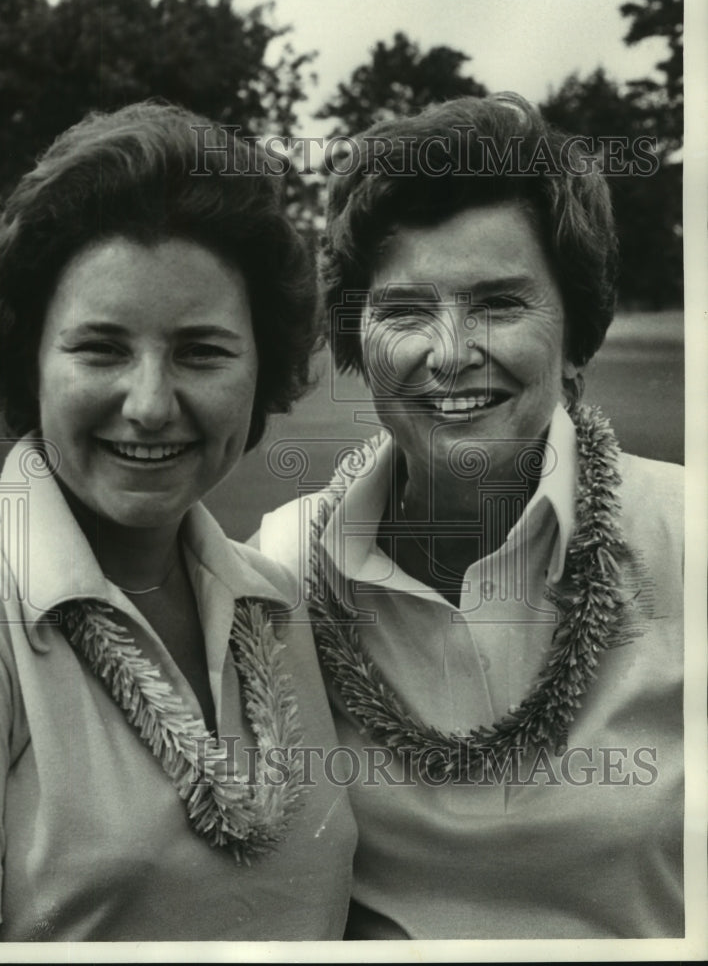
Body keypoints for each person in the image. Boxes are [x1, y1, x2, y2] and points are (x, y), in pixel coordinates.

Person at [257, 93, 683, 939]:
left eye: (498, 303)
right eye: (405, 311)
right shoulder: (277, 568)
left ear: (577, 334)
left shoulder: (692, 538)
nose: (449, 354)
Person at [0, 102, 356, 942]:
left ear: (261, 368)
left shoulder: (278, 599)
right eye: (100, 349)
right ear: (29, 359)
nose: (151, 404)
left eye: (202, 352)